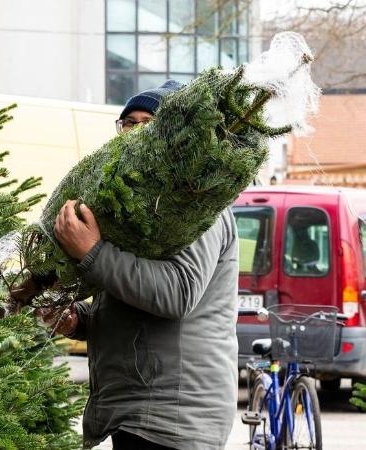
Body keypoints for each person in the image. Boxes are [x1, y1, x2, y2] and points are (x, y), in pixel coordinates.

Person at [39, 80, 240, 450]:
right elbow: (128, 295)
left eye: (150, 121)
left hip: (173, 416)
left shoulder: (195, 203)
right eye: (129, 122)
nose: (136, 131)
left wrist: (92, 253)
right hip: (137, 410)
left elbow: (177, 294)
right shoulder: (141, 204)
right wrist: (80, 319)